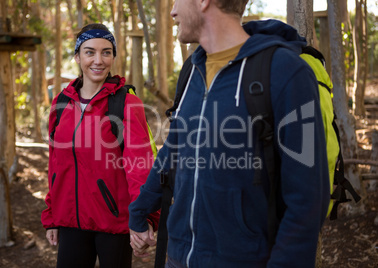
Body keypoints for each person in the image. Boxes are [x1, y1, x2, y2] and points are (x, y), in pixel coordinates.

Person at [128, 0, 330, 267]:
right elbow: (174, 150)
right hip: (177, 257)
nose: (173, 11)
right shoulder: (192, 69)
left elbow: (307, 200)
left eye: (177, 0)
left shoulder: (286, 71)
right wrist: (139, 211)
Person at [41, 23, 159, 268]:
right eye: (89, 52)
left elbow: (140, 166)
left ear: (114, 56)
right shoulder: (61, 103)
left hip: (114, 225)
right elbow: (56, 164)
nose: (98, 60)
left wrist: (145, 217)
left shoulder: (127, 103)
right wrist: (52, 215)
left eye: (106, 52)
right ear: (77, 56)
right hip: (71, 223)